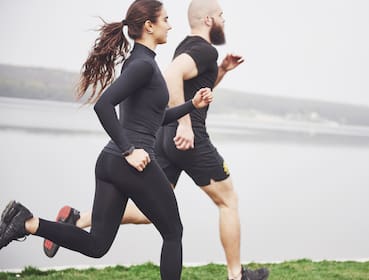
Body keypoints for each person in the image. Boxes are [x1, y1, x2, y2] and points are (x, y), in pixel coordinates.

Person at [42, 0, 269, 279]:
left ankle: (77, 220)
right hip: (185, 139)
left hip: (157, 140)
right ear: (208, 20)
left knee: (148, 214)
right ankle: (236, 275)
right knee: (225, 202)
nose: (170, 25)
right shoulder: (200, 50)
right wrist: (182, 126)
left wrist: (216, 76)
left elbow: (159, 103)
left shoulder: (181, 48)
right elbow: (167, 78)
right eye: (221, 15)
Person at [0, 1, 214, 279]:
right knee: (174, 233)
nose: (170, 25)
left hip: (111, 164)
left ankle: (26, 222)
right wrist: (130, 151)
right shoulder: (143, 66)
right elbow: (104, 105)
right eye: (166, 19)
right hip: (131, 163)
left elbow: (155, 117)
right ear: (149, 26)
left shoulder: (141, 63)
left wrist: (191, 105)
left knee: (97, 245)